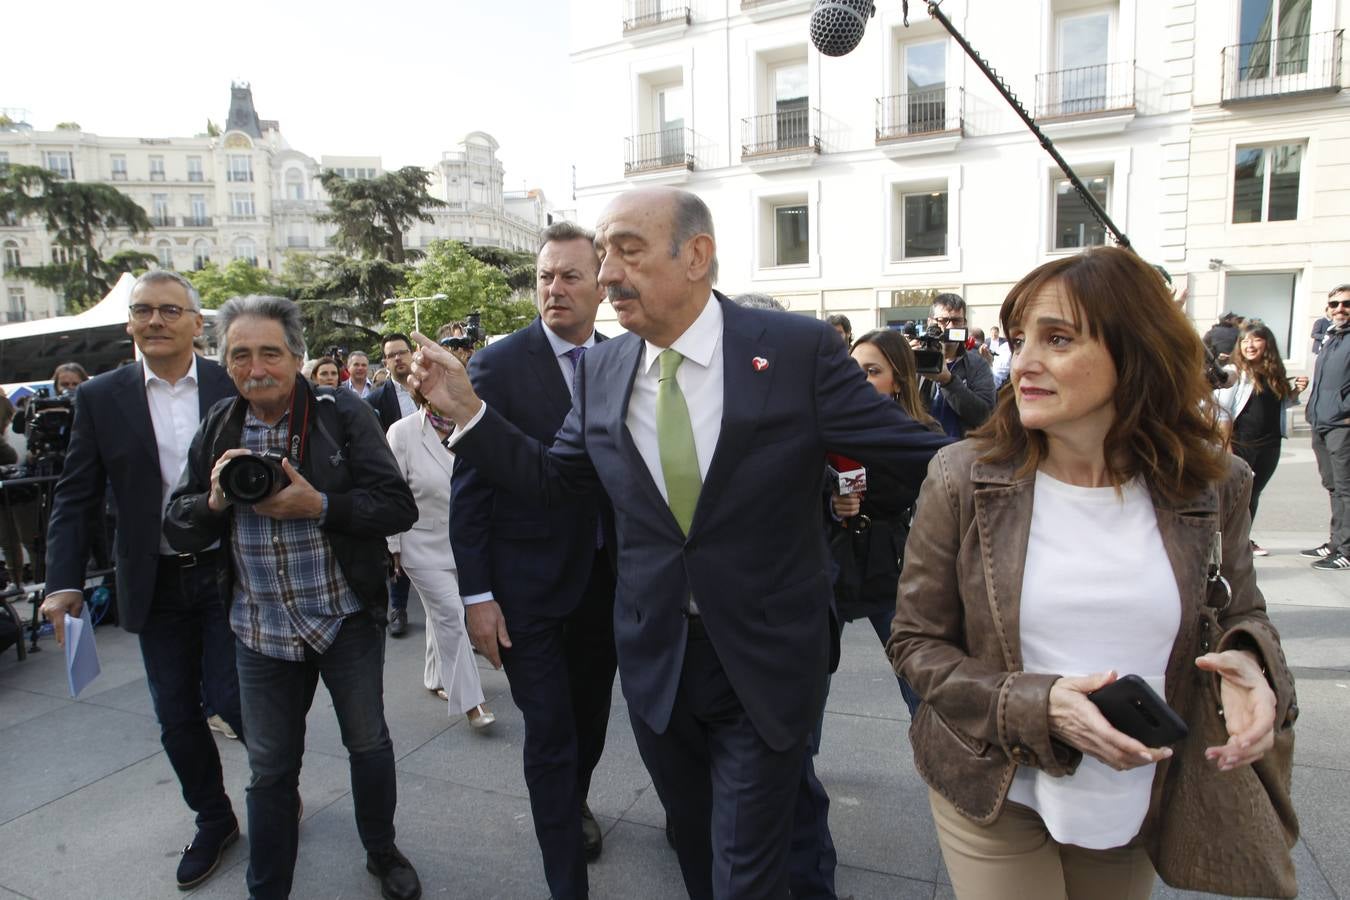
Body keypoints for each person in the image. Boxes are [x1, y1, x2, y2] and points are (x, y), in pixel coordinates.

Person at [413, 186, 949, 899]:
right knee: (698, 850)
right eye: (603, 256)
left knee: (744, 873)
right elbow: (553, 482)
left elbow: (916, 452)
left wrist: (1047, 456)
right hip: (658, 665)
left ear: (696, 256)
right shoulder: (603, 370)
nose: (606, 275)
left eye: (626, 252)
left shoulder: (792, 351)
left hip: (765, 659)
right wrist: (472, 416)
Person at [890, 247, 1294, 899]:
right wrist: (1039, 705)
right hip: (994, 781)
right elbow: (914, 643)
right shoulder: (962, 477)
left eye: (1058, 339)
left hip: (1134, 792)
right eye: (1020, 340)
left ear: (1135, 352)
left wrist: (1251, 666)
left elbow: (1242, 612)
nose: (1024, 361)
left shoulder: (1215, 486)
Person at [164, 295, 421, 900]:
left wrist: (321, 505)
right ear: (226, 364)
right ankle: (267, 887)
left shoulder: (341, 413)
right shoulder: (221, 424)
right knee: (270, 771)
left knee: (369, 745)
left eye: (271, 353)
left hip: (344, 619)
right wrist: (215, 502)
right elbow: (178, 519)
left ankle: (382, 852)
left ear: (298, 357)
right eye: (241, 355)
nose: (257, 368)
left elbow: (397, 505)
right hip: (259, 629)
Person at [39, 271, 243, 890]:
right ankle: (214, 818)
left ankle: (273, 790)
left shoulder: (230, 381)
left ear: (195, 322)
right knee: (177, 714)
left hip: (230, 573)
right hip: (153, 582)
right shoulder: (102, 396)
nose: (155, 321)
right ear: (130, 322)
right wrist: (61, 581)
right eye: (143, 311)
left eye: (169, 311)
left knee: (241, 702)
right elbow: (75, 496)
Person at [450, 222, 617, 898]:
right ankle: (565, 883)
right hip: (527, 595)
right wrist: (477, 597)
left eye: (570, 276)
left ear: (600, 285)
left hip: (609, 587)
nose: (554, 288)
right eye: (545, 276)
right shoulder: (497, 365)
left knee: (590, 722)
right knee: (549, 734)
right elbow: (471, 492)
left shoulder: (623, 358)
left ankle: (573, 799)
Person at [830, 329, 942, 717]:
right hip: (832, 562)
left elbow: (918, 495)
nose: (859, 379)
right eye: (852, 370)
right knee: (806, 679)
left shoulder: (921, 435)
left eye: (872, 370)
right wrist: (831, 501)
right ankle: (796, 773)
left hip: (889, 564)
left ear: (898, 379)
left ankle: (940, 760)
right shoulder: (829, 426)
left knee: (916, 673)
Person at [385, 387, 495, 729]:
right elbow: (391, 489)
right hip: (420, 542)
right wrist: (392, 545)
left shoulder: (473, 424)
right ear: (423, 394)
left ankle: (435, 676)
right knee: (451, 612)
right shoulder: (402, 432)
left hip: (466, 544)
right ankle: (472, 702)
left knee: (439, 613)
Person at [1213, 321, 1307, 556]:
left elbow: (1277, 405)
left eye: (1255, 339)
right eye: (1244, 341)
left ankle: (1243, 540)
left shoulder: (1274, 373)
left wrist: (1294, 393)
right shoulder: (1235, 373)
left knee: (1253, 494)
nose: (1249, 345)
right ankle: (1226, 545)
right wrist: (1227, 450)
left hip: (1270, 443)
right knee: (1235, 497)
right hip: (1242, 443)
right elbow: (1222, 412)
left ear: (1267, 343)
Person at [366, 333, 418, 636]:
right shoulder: (376, 400)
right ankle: (398, 607)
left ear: (411, 354)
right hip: (395, 481)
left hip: (432, 477)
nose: (398, 358)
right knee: (399, 545)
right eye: (391, 355)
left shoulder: (429, 385)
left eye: (402, 352)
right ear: (385, 361)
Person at [1303, 284, 1350, 569]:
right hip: (1322, 421)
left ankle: (1346, 549)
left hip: (1341, 425)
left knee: (1346, 488)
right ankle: (1336, 541)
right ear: (1327, 309)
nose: (1340, 309)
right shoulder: (1331, 338)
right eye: (1334, 304)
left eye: (1346, 303)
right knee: (1333, 486)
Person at [919, 293, 996, 438]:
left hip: (961, 452)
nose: (950, 327)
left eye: (956, 321)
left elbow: (985, 416)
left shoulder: (977, 365)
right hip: (922, 451)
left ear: (964, 323)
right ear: (930, 322)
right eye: (943, 321)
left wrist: (947, 381)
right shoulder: (916, 360)